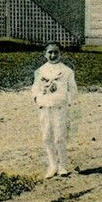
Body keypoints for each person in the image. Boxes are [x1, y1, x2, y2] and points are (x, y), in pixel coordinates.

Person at [30, 43, 77, 178]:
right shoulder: (40, 71)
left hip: (60, 108)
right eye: (50, 52)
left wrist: (65, 100)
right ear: (45, 54)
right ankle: (52, 165)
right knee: (46, 137)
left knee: (59, 137)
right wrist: (37, 99)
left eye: (55, 52)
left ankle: (62, 165)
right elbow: (35, 88)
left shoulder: (67, 71)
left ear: (60, 53)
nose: (53, 55)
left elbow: (73, 90)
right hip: (45, 107)